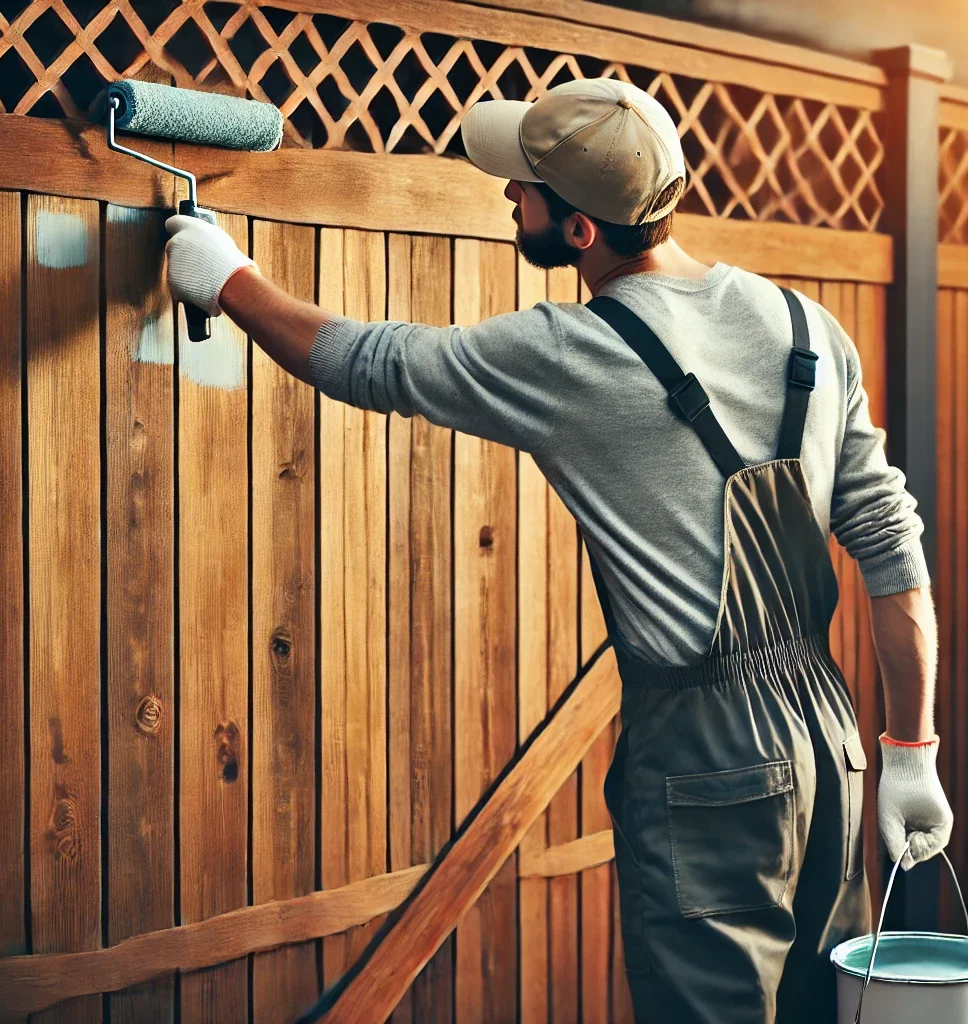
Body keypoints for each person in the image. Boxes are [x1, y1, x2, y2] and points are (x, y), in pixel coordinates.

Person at [163, 77, 953, 1024]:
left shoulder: (569, 354)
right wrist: (911, 749)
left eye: (524, 187)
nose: (508, 195)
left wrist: (226, 277)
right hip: (829, 742)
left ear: (580, 232)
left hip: (705, 756)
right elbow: (892, 550)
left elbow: (365, 361)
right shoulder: (807, 328)